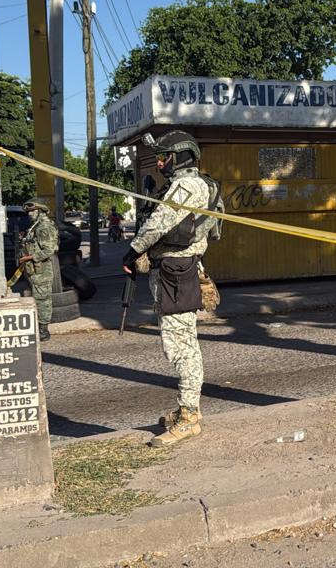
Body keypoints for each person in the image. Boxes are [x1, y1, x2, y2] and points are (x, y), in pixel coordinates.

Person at [123, 131, 220, 447]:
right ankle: (187, 409)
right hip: (175, 270)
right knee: (180, 342)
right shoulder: (192, 184)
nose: (160, 162)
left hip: (177, 273)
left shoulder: (186, 186)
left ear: (180, 157)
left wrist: (133, 250)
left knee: (180, 346)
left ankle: (190, 417)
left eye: (164, 156)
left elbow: (159, 224)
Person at [19, 200, 58, 343]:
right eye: (28, 212)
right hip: (33, 270)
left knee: (42, 300)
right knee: (38, 298)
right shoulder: (35, 227)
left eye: (32, 211)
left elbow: (49, 250)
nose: (29, 214)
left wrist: (28, 257)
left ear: (40, 211)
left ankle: (43, 330)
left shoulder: (44, 227)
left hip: (41, 270)